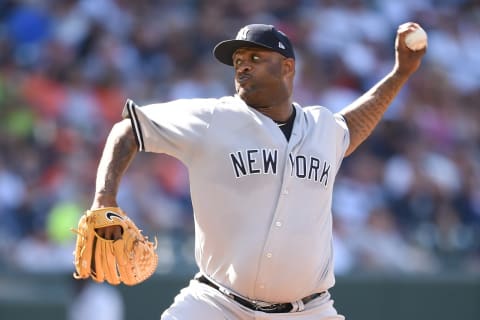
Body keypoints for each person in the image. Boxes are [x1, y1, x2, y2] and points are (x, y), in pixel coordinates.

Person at [91, 22, 426, 319]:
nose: (243, 68)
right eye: (238, 62)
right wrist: (104, 198)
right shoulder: (212, 118)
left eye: (255, 59)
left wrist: (399, 74)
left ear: (287, 67)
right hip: (217, 304)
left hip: (308, 310)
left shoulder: (323, 127)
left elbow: (353, 124)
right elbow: (128, 129)